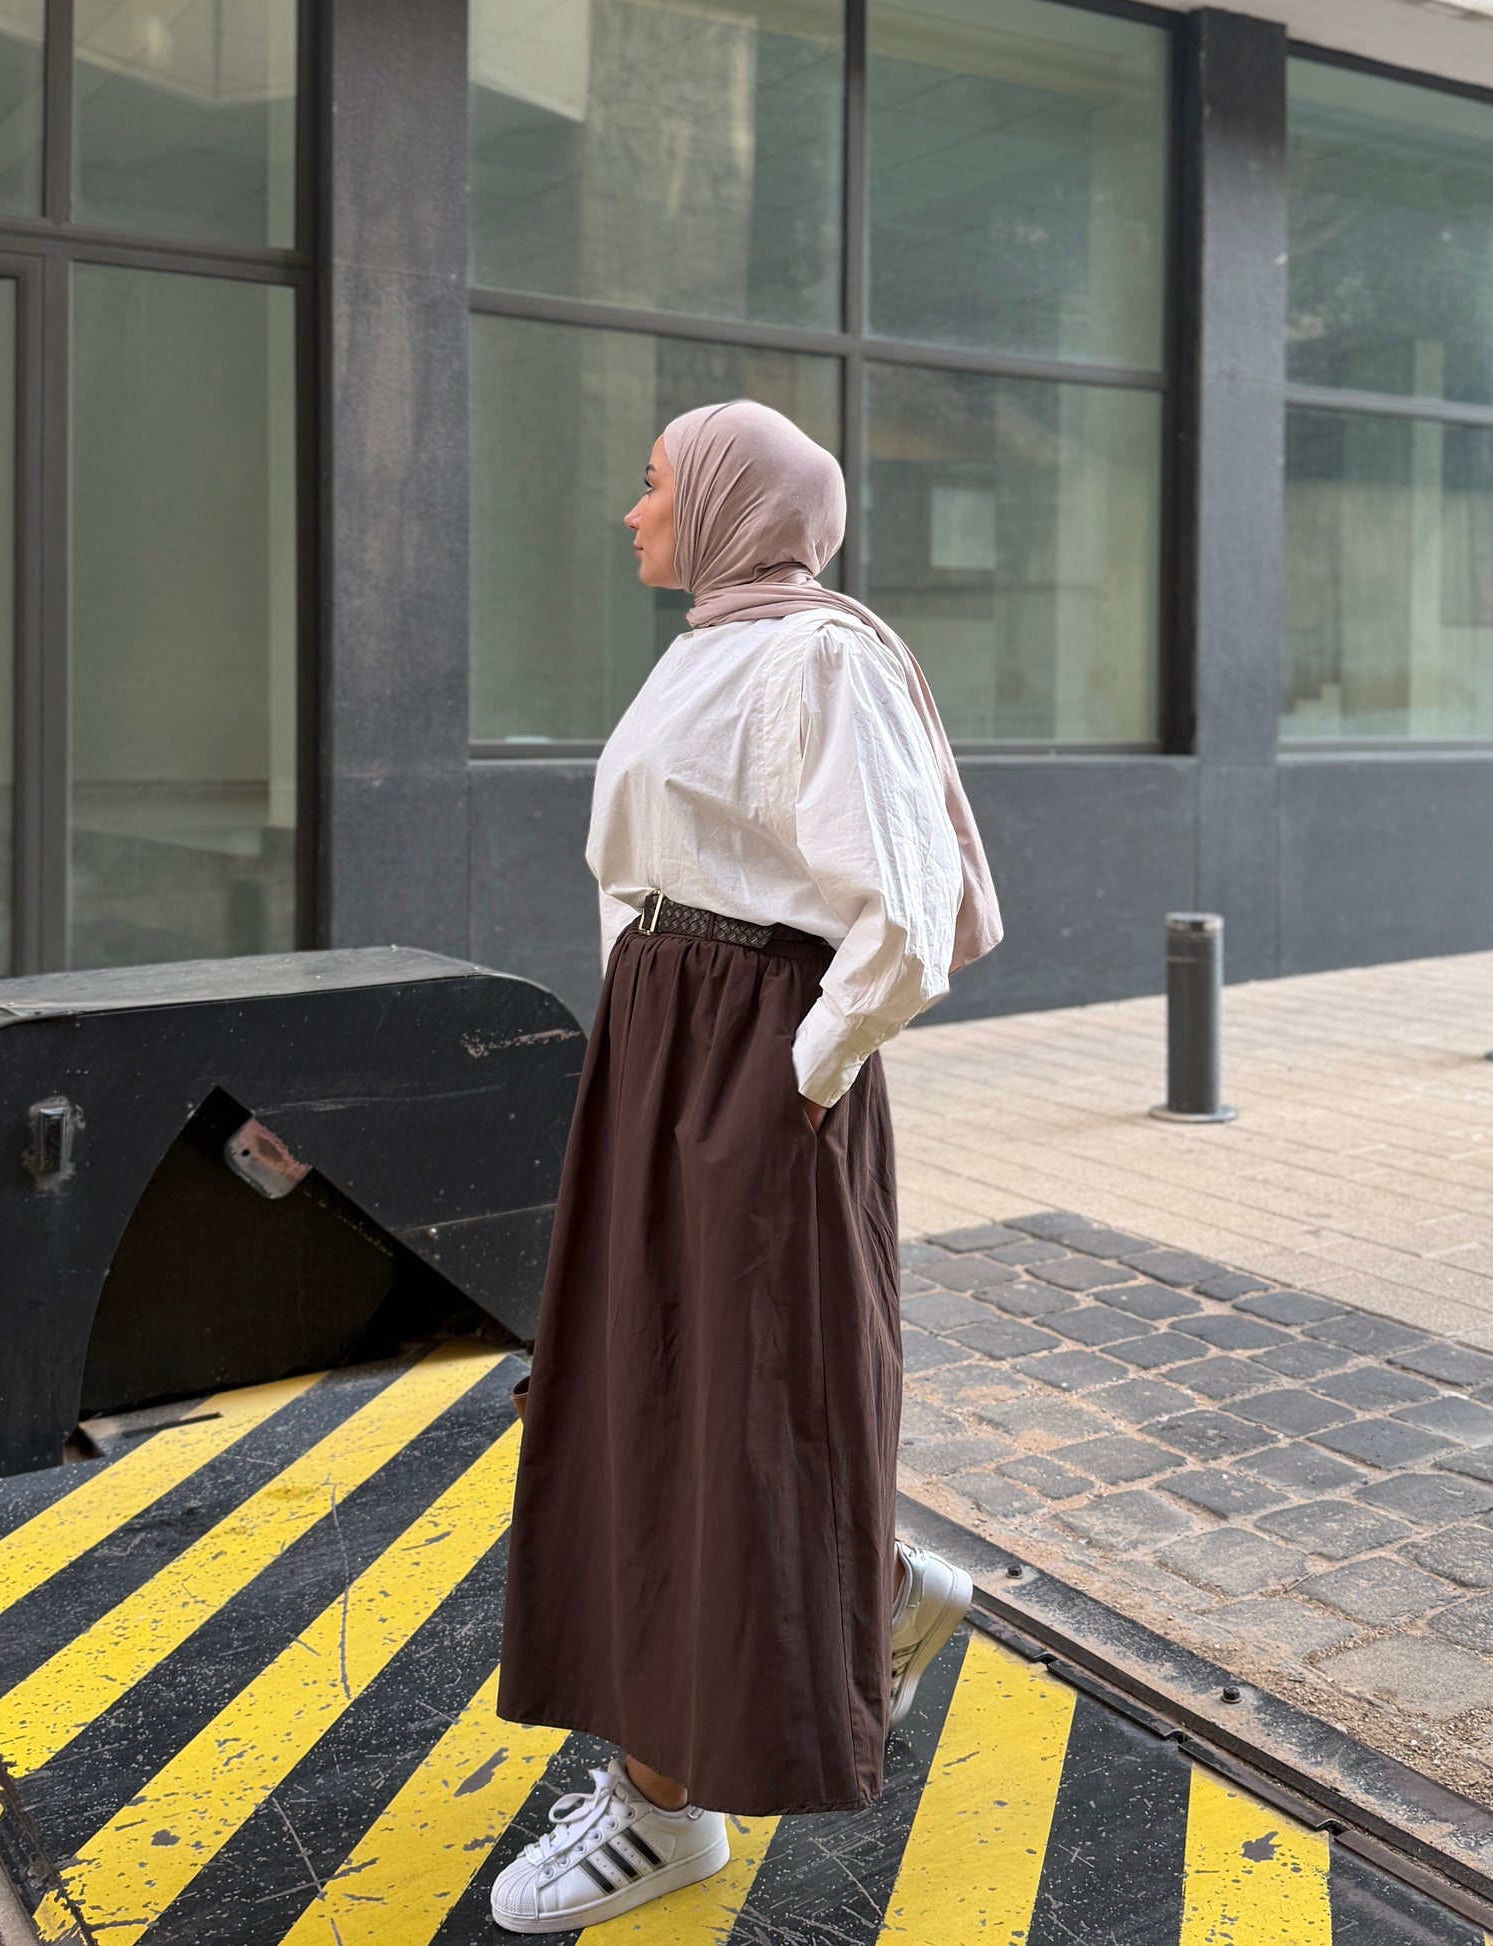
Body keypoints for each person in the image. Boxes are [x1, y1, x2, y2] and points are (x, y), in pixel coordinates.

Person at [491, 399, 1003, 1933]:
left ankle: (667, 1805)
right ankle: (870, 1589)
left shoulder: (819, 657)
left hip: (742, 1065)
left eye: (653, 482)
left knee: (723, 1393)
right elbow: (640, 869)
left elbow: (902, 911)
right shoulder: (705, 647)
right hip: (662, 1053)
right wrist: (642, 1045)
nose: (632, 510)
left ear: (724, 500)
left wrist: (790, 1079)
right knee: (647, 1391)